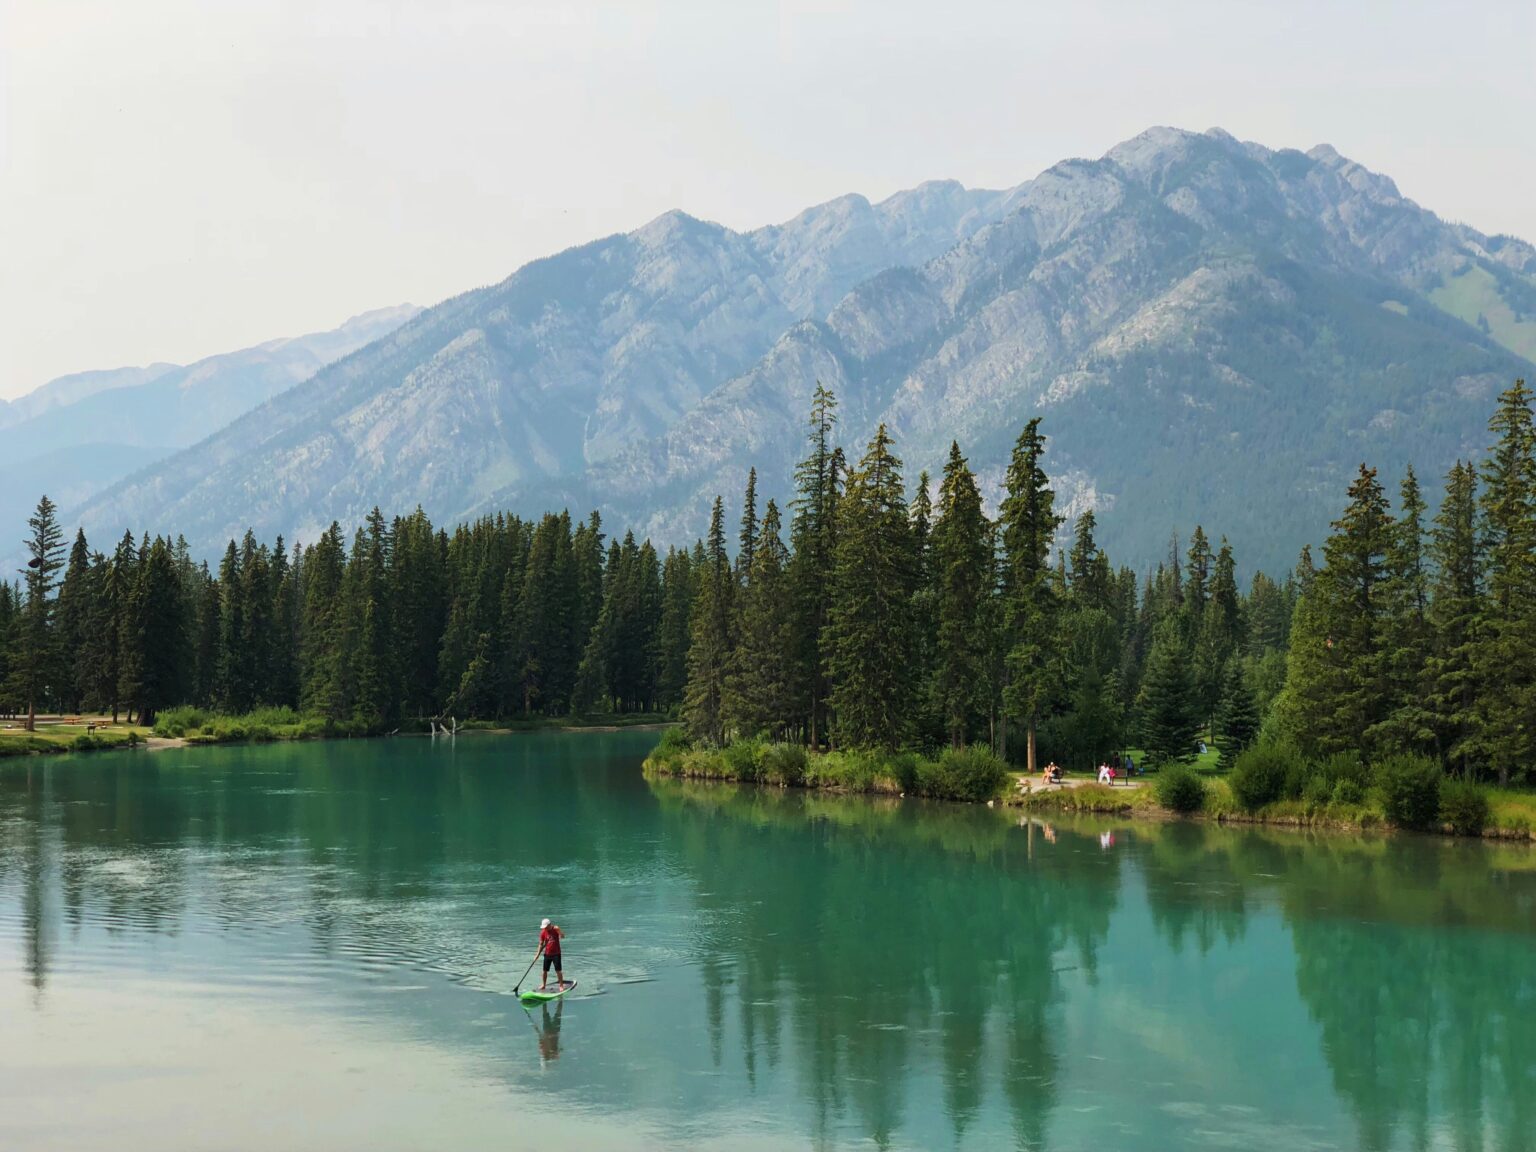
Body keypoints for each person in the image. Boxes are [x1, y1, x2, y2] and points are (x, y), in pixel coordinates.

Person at [538, 917, 565, 991]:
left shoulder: (555, 929)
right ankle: (543, 985)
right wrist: (536, 955)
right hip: (547, 954)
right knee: (544, 971)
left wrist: (559, 930)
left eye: (546, 927)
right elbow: (540, 944)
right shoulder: (543, 932)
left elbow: (563, 936)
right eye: (544, 927)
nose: (545, 929)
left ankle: (561, 986)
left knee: (558, 970)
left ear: (549, 925)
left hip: (556, 954)